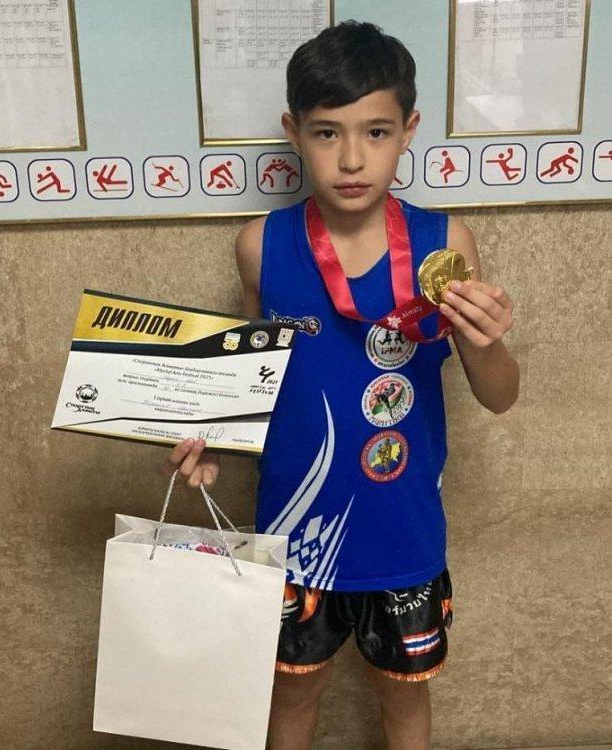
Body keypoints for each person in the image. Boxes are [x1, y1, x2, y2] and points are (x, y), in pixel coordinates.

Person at [163, 20, 519, 750]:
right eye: (327, 133)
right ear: (293, 132)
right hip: (295, 530)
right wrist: (212, 444)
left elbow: (500, 395)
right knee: (292, 692)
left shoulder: (446, 243)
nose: (352, 158)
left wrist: (487, 343)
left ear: (409, 130)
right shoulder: (261, 245)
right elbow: (256, 381)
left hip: (403, 529)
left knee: (403, 696)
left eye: (376, 132)